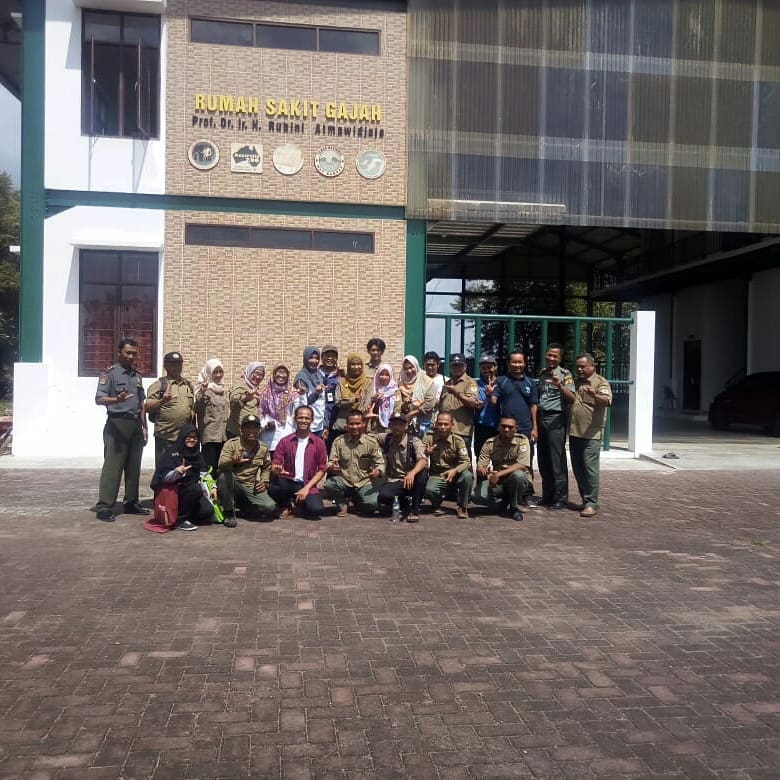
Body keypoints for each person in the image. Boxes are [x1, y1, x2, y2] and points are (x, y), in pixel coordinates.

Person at [94, 338, 149, 522]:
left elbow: (141, 403)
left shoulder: (137, 375)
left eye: (134, 353)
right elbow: (99, 399)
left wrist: (144, 426)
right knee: (113, 467)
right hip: (117, 424)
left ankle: (131, 502)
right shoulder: (109, 374)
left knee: (134, 467)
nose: (131, 356)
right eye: (128, 353)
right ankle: (104, 506)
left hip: (135, 424)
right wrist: (116, 400)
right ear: (119, 353)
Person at [561, 353, 613, 518]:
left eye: (583, 366)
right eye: (578, 367)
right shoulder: (577, 382)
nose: (580, 369)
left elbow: (606, 401)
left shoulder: (600, 382)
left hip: (591, 434)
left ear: (592, 366)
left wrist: (594, 394)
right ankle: (585, 499)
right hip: (575, 432)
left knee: (590, 469)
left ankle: (592, 503)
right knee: (578, 469)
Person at [490, 350, 540, 505]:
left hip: (525, 428)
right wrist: (490, 394)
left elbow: (533, 405)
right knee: (504, 460)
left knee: (526, 461)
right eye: (514, 362)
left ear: (524, 363)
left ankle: (527, 494)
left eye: (520, 362)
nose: (517, 365)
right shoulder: (501, 381)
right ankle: (505, 490)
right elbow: (494, 401)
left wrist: (535, 427)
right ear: (508, 363)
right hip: (506, 428)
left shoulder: (530, 382)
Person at [149, 424, 215, 531]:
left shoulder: (197, 454)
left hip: (188, 492)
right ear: (182, 437)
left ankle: (184, 515)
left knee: (208, 512)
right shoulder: (173, 453)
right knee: (196, 489)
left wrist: (213, 487)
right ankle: (180, 520)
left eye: (195, 437)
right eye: (188, 437)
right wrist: (177, 472)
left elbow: (204, 473)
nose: (192, 440)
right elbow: (163, 478)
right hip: (173, 492)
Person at [269, 406, 328, 520]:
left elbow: (322, 469)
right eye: (300, 417)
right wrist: (277, 469)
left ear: (312, 420)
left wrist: (306, 488)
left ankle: (298, 503)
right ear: (295, 418)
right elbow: (276, 462)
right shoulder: (285, 441)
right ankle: (285, 505)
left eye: (307, 418)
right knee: (273, 487)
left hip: (308, 484)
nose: (303, 421)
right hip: (288, 481)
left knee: (316, 509)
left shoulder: (319, 443)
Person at [217, 414, 277, 524]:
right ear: (241, 429)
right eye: (248, 427)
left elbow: (266, 467)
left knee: (269, 507)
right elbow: (221, 465)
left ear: (259, 430)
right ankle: (229, 513)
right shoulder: (231, 444)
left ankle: (245, 508)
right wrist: (233, 461)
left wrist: (265, 481)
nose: (251, 431)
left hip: (250, 485)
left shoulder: (263, 448)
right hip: (233, 484)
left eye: (255, 428)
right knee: (224, 476)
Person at [324, 411, 385, 516]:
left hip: (363, 481)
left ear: (363, 424)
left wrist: (378, 471)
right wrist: (332, 467)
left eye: (357, 423)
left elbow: (380, 463)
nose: (354, 427)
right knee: (330, 484)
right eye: (351, 424)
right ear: (347, 426)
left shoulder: (371, 442)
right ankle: (342, 504)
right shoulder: (339, 441)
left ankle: (357, 501)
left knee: (372, 505)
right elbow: (330, 462)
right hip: (345, 480)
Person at [536, 343, 575, 510]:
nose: (551, 358)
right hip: (541, 418)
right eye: (549, 355)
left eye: (555, 356)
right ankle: (548, 495)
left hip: (556, 418)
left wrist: (560, 385)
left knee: (556, 459)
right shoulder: (542, 374)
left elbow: (572, 397)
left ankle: (561, 497)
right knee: (543, 459)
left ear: (560, 358)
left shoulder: (565, 375)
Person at [475, 416, 533, 522]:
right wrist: (483, 471)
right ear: (498, 427)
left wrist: (498, 474)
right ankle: (503, 502)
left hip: (517, 479)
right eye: (503, 426)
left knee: (518, 475)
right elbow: (481, 465)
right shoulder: (490, 443)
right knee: (475, 496)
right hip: (499, 481)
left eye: (510, 427)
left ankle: (514, 508)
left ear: (516, 429)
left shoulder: (522, 440)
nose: (506, 429)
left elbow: (522, 464)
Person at [145, 352, 195, 468]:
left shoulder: (187, 385)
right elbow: (147, 407)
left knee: (182, 471)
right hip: (165, 438)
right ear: (165, 366)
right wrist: (162, 400)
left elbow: (191, 409)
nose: (176, 367)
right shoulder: (159, 385)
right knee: (164, 471)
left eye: (179, 364)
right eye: (172, 364)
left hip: (183, 438)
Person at [377, 412, 428, 523]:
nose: (397, 427)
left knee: (422, 473)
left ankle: (414, 510)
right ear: (389, 426)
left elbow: (423, 461)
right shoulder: (385, 438)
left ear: (406, 426)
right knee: (383, 496)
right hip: (395, 480)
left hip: (411, 480)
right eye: (394, 424)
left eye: (400, 424)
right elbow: (367, 437)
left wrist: (412, 473)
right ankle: (404, 504)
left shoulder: (414, 441)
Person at [422, 412, 472, 519]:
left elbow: (466, 462)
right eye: (440, 424)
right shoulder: (429, 438)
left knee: (467, 476)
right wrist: (426, 453)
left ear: (452, 425)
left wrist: (455, 470)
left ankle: (462, 506)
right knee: (429, 489)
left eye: (446, 424)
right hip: (438, 474)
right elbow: (419, 457)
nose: (443, 427)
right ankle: (436, 504)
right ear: (436, 424)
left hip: (455, 474)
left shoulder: (458, 440)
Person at [439, 353, 481, 456]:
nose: (456, 368)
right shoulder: (447, 384)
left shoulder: (470, 383)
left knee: (464, 461)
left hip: (462, 431)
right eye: (454, 365)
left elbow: (473, 403)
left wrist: (457, 393)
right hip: (446, 431)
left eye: (459, 365)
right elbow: (441, 406)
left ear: (465, 366)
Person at [195, 358, 229, 474]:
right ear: (209, 373)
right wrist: (202, 392)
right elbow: (197, 408)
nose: (218, 375)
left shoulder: (223, 389)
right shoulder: (204, 389)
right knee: (209, 470)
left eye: (220, 371)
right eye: (215, 372)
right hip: (210, 436)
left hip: (223, 436)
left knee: (219, 468)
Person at [259, 363, 295, 453]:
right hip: (269, 435)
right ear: (274, 374)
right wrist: (264, 425)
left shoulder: (292, 392)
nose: (281, 375)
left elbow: (296, 412)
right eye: (279, 372)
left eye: (284, 372)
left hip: (286, 432)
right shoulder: (264, 392)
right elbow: (260, 412)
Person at [398, 355, 437, 436]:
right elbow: (398, 404)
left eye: (411, 367)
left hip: (424, 424)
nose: (409, 371)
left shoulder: (427, 381)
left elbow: (429, 404)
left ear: (416, 366)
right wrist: (404, 404)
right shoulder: (401, 382)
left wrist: (412, 414)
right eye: (406, 368)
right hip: (405, 424)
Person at [332, 353, 370, 435]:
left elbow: (366, 404)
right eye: (353, 364)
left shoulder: (368, 383)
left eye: (359, 364)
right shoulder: (341, 382)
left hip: (360, 427)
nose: (356, 367)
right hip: (342, 426)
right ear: (348, 365)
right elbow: (337, 402)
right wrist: (354, 400)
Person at [293, 347, 327, 437]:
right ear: (305, 358)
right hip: (307, 425)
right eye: (311, 358)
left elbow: (323, 402)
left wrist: (325, 424)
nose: (314, 361)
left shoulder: (319, 375)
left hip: (319, 425)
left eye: (317, 358)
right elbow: (302, 404)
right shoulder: (301, 377)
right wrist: (316, 393)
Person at [227, 362, 265, 438]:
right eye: (256, 373)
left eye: (261, 375)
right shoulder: (241, 385)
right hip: (238, 433)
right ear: (250, 371)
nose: (258, 377)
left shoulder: (253, 388)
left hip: (250, 432)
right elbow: (233, 403)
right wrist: (246, 398)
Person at [474, 354, 500, 460]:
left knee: (498, 459)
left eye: (489, 367)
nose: (486, 370)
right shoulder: (475, 384)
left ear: (495, 367)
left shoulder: (501, 383)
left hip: (498, 426)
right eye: (483, 368)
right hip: (481, 426)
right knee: (481, 458)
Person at [362, 363, 400, 434]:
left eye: (387, 375)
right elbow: (366, 408)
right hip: (375, 427)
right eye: (381, 374)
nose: (384, 377)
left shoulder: (395, 391)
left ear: (391, 376)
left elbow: (398, 408)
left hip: (390, 427)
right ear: (377, 375)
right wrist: (375, 401)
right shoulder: (373, 389)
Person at [320, 344, 342, 446]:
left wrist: (343, 376)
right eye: (327, 355)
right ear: (322, 357)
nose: (330, 358)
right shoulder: (314, 374)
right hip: (316, 422)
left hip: (335, 420)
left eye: (333, 356)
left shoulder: (340, 376)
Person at [423, 351, 445, 424]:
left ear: (438, 364)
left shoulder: (445, 381)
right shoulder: (419, 380)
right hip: (422, 420)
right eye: (427, 365)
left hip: (439, 421)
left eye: (432, 365)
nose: (430, 367)